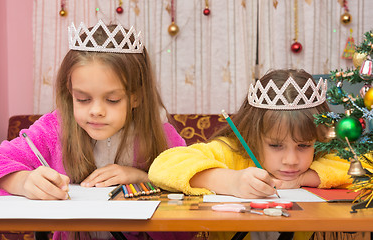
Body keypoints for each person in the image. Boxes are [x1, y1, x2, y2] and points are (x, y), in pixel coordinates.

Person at [0, 19, 195, 240]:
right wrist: (21, 181)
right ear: (70, 92)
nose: (96, 111)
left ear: (136, 96)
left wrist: (143, 179)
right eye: (83, 99)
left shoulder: (161, 135)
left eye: (112, 99)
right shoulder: (54, 130)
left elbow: (192, 192)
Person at [149, 69, 369, 240]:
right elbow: (163, 165)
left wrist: (307, 178)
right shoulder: (233, 152)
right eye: (275, 145)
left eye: (303, 146)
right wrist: (231, 181)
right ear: (253, 134)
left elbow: (366, 162)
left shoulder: (321, 153)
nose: (291, 160)